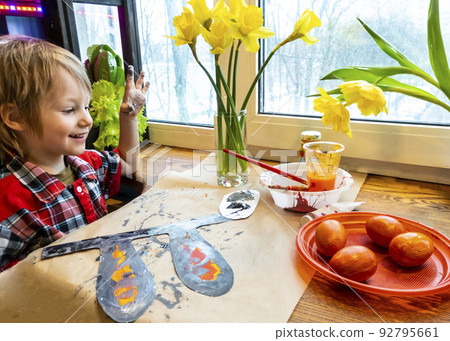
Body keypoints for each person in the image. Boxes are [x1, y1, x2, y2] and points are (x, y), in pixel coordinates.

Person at [0, 35, 149, 271]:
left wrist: (128, 118)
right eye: (69, 110)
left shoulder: (85, 163)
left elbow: (127, 163)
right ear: (16, 117)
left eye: (87, 107)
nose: (87, 119)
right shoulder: (7, 201)